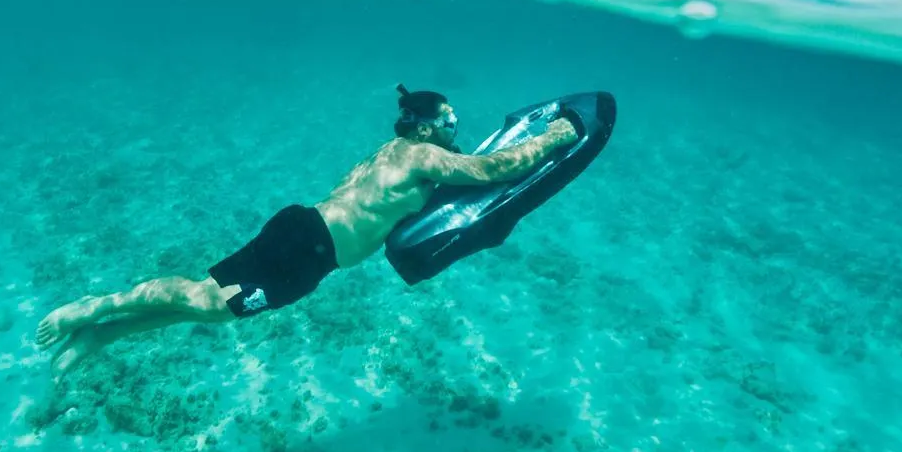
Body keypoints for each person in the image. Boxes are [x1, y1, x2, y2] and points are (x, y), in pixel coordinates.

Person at [34, 86, 579, 378]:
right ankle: (95, 307)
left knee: (211, 308)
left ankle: (103, 334)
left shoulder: (396, 152)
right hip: (308, 248)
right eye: (450, 117)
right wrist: (555, 136)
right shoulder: (421, 156)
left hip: (308, 243)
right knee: (206, 303)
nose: (456, 124)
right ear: (428, 124)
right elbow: (494, 170)